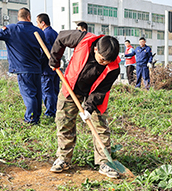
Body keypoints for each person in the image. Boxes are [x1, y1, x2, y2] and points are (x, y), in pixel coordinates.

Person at [48, 30, 121, 178]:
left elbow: (101, 90)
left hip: (94, 93)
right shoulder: (83, 39)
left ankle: (105, 161)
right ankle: (63, 158)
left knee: (100, 125)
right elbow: (61, 38)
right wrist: (54, 60)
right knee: (64, 121)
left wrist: (89, 107)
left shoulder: (114, 68)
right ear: (95, 49)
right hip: (71, 86)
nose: (105, 63)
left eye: (108, 61)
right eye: (102, 60)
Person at [0, 7, 46, 124]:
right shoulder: (38, 31)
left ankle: (30, 120)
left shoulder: (12, 29)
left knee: (29, 95)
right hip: (36, 69)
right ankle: (36, 118)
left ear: (18, 17)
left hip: (22, 69)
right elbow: (44, 51)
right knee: (37, 95)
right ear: (28, 17)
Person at [36, 13, 60, 118]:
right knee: (55, 91)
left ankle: (50, 113)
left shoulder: (45, 34)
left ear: (43, 23)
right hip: (55, 67)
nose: (37, 25)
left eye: (37, 23)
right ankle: (56, 110)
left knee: (48, 92)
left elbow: (44, 52)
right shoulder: (54, 33)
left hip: (47, 68)